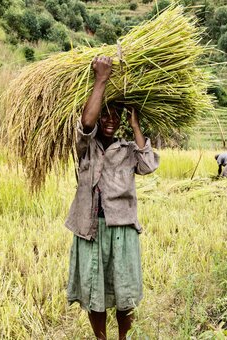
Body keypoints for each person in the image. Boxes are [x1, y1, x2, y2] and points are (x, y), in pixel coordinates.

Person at [64, 55, 159, 340]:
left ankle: (122, 339)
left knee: (124, 292)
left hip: (122, 228)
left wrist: (136, 124)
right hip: (90, 227)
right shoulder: (85, 145)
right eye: (106, 113)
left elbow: (149, 164)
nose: (110, 120)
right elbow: (86, 122)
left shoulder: (128, 149)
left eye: (116, 115)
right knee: (95, 293)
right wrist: (101, 79)